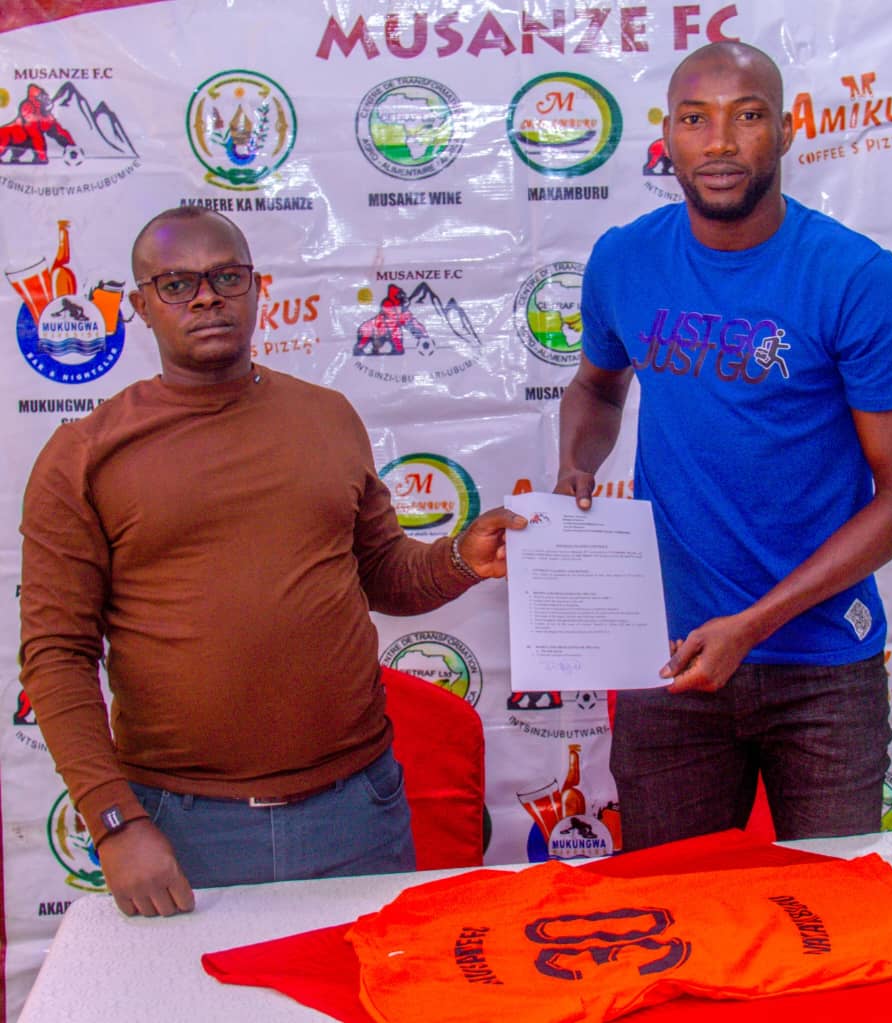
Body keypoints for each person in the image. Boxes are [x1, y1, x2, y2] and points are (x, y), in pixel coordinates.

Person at [19, 206, 526, 917]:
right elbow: (56, 653)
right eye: (177, 284)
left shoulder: (327, 417)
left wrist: (459, 559)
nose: (206, 297)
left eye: (226, 277)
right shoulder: (84, 455)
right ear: (139, 305)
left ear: (258, 288)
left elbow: (381, 572)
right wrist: (114, 821)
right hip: (180, 826)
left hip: (358, 809)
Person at [556, 41, 892, 847]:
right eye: (695, 119)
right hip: (671, 659)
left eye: (748, 116)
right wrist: (575, 465)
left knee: (833, 907)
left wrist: (753, 625)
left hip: (823, 670)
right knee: (675, 905)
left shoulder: (857, 278)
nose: (720, 142)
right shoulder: (624, 258)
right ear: (667, 135)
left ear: (787, 130)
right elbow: (597, 387)